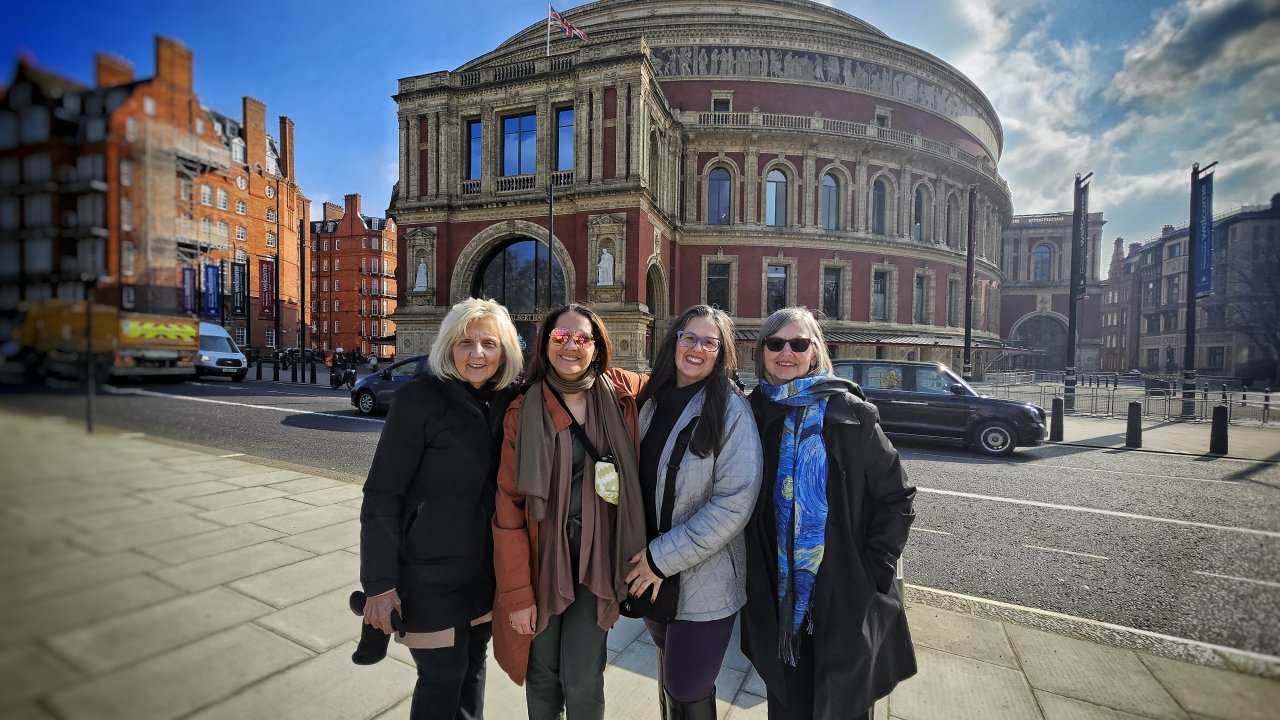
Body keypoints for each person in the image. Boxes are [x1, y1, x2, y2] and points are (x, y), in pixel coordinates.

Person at [743, 307, 917, 720]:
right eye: (776, 343)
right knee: (787, 705)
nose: (787, 352)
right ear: (762, 350)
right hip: (778, 595)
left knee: (845, 706)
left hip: (844, 592)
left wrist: (875, 568)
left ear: (815, 351)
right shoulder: (749, 414)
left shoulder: (850, 413)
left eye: (799, 344)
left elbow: (898, 497)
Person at [358, 297, 525, 720]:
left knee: (472, 672)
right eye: (466, 343)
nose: (478, 353)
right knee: (442, 676)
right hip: (428, 577)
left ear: (505, 350)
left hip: (485, 573)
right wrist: (379, 583)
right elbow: (382, 493)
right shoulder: (419, 399)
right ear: (448, 346)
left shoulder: (508, 400)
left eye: (489, 343)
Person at [492, 303, 649, 720]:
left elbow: (681, 384)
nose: (571, 346)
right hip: (542, 561)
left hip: (598, 561)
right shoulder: (522, 411)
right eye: (560, 337)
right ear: (545, 346)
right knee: (542, 671)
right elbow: (508, 508)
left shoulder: (621, 394)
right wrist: (517, 596)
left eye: (581, 338)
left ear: (596, 347)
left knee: (581, 675)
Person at [624, 305, 762, 719]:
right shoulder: (650, 401)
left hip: (704, 582)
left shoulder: (731, 412)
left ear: (722, 353)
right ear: (674, 341)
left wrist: (659, 559)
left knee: (687, 688)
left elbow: (733, 504)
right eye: (690, 337)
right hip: (650, 577)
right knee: (670, 674)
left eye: (709, 342)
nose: (697, 348)